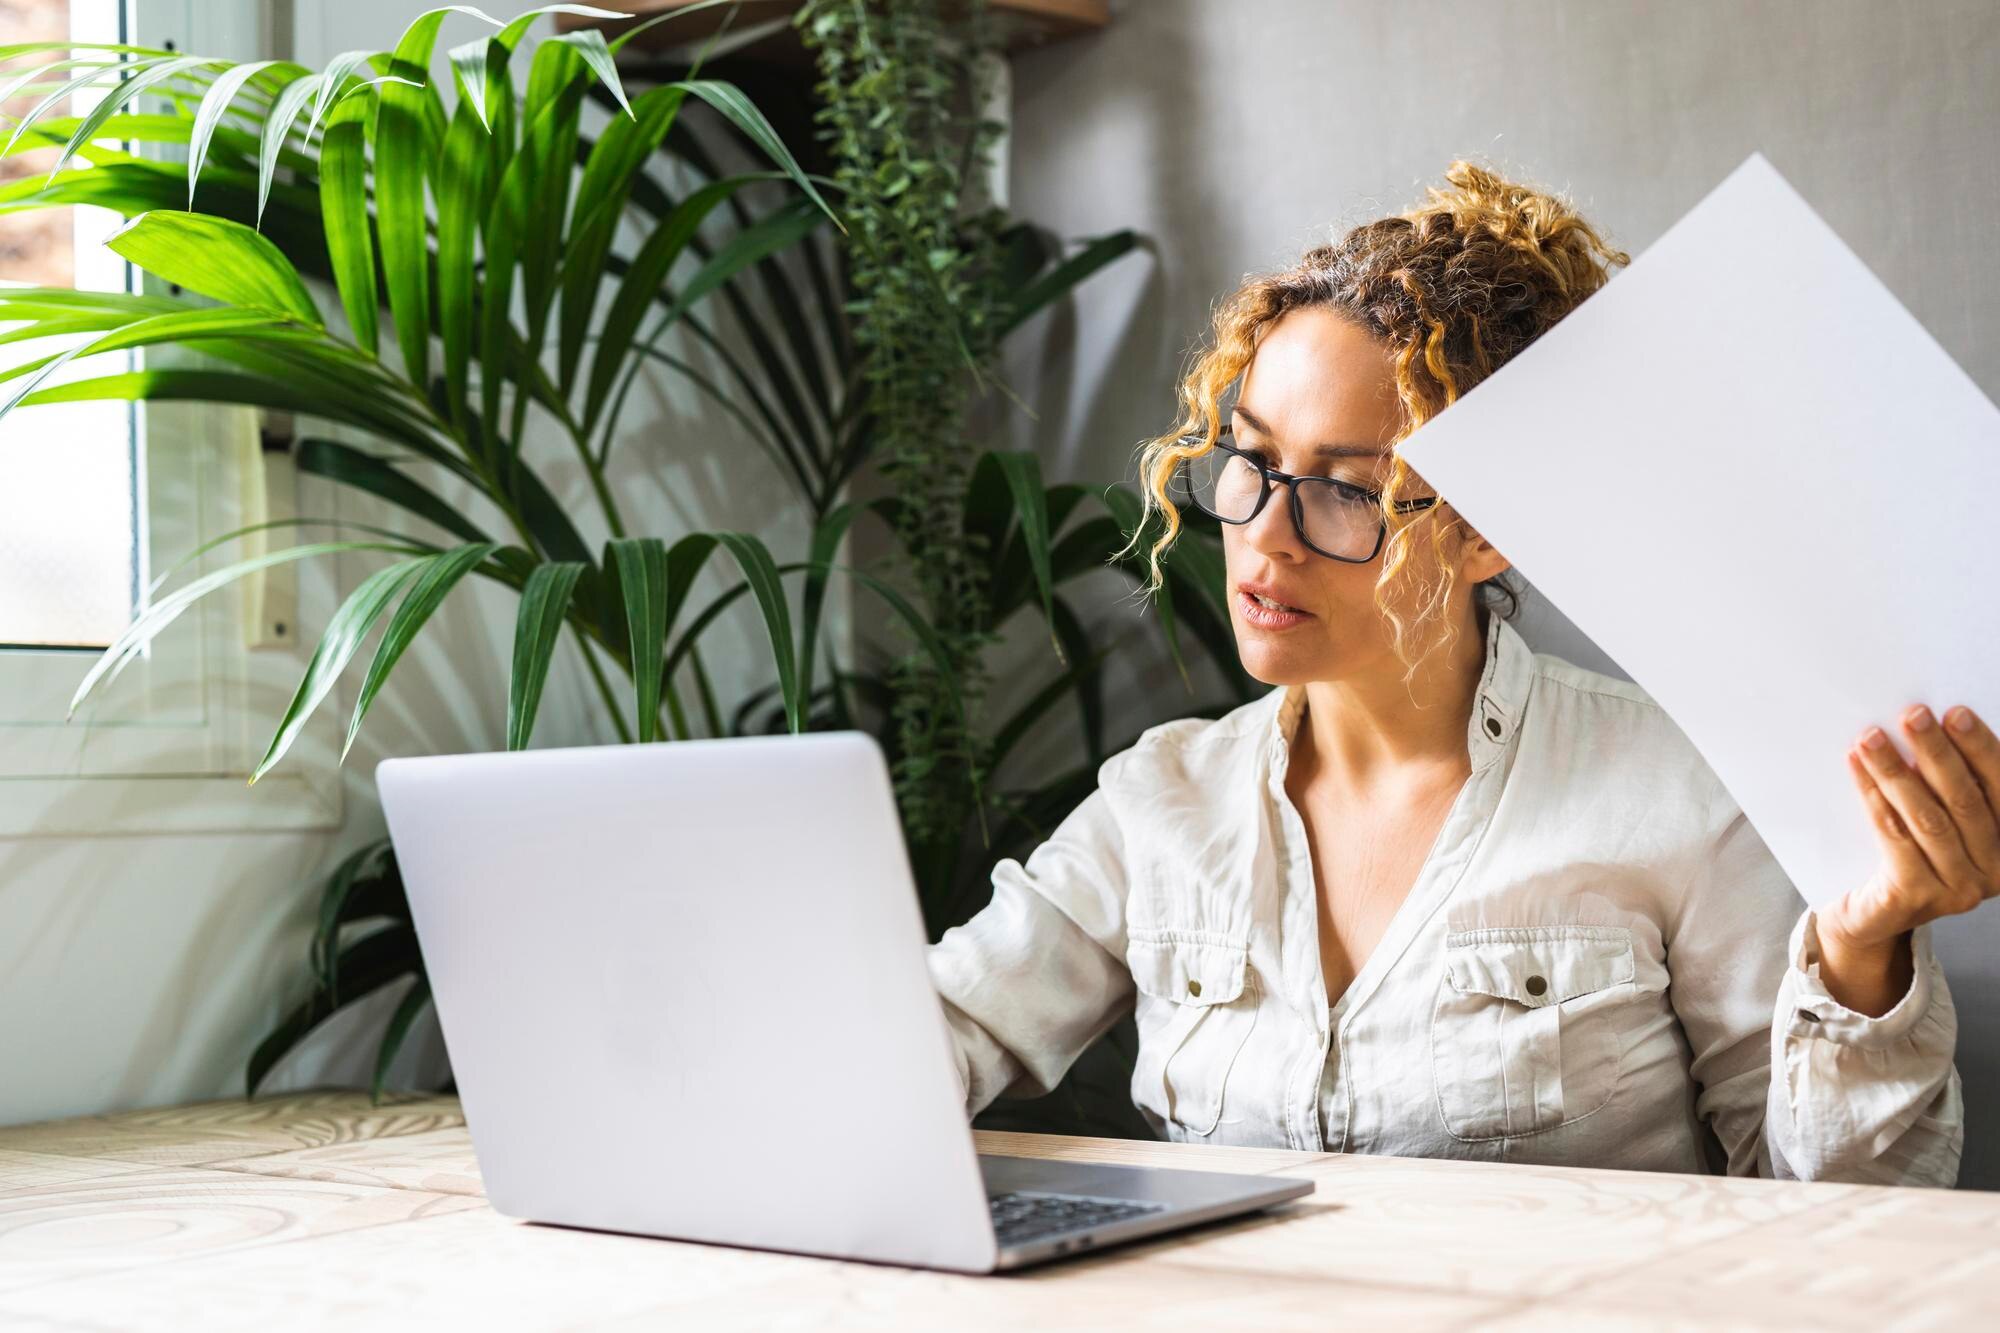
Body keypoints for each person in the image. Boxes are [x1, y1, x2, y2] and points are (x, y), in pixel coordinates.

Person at [926, 159, 1989, 1185]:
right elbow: (940, 1029)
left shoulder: (1678, 799)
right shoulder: (1161, 800)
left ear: (1487, 532)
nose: (1265, 536)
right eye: (1250, 460)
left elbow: (1847, 1213)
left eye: (1345, 491)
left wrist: (1859, 952)